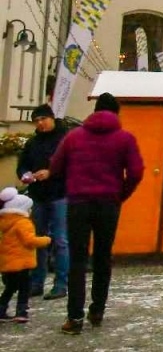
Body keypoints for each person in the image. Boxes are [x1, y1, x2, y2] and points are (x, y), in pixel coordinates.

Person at [49, 92, 145, 333]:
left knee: (78, 259)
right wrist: (120, 194)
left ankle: (74, 317)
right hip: (108, 204)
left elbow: (55, 167)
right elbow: (136, 172)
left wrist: (71, 186)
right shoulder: (125, 139)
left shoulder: (73, 137)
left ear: (95, 111)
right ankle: (97, 309)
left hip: (78, 203)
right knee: (103, 256)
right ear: (116, 112)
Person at [17, 104, 69, 300]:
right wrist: (25, 175)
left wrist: (50, 172)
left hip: (60, 194)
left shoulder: (65, 140)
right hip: (38, 195)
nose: (40, 124)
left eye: (43, 119)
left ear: (52, 118)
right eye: (36, 121)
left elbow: (70, 165)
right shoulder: (33, 143)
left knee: (61, 240)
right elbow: (22, 165)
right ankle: (37, 281)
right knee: (38, 239)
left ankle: (61, 283)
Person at [0, 189, 51, 323]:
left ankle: (1, 309)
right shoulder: (23, 223)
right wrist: (46, 240)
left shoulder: (5, 222)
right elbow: (29, 241)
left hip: (8, 264)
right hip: (22, 263)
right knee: (25, 288)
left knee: (10, 288)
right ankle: (21, 311)